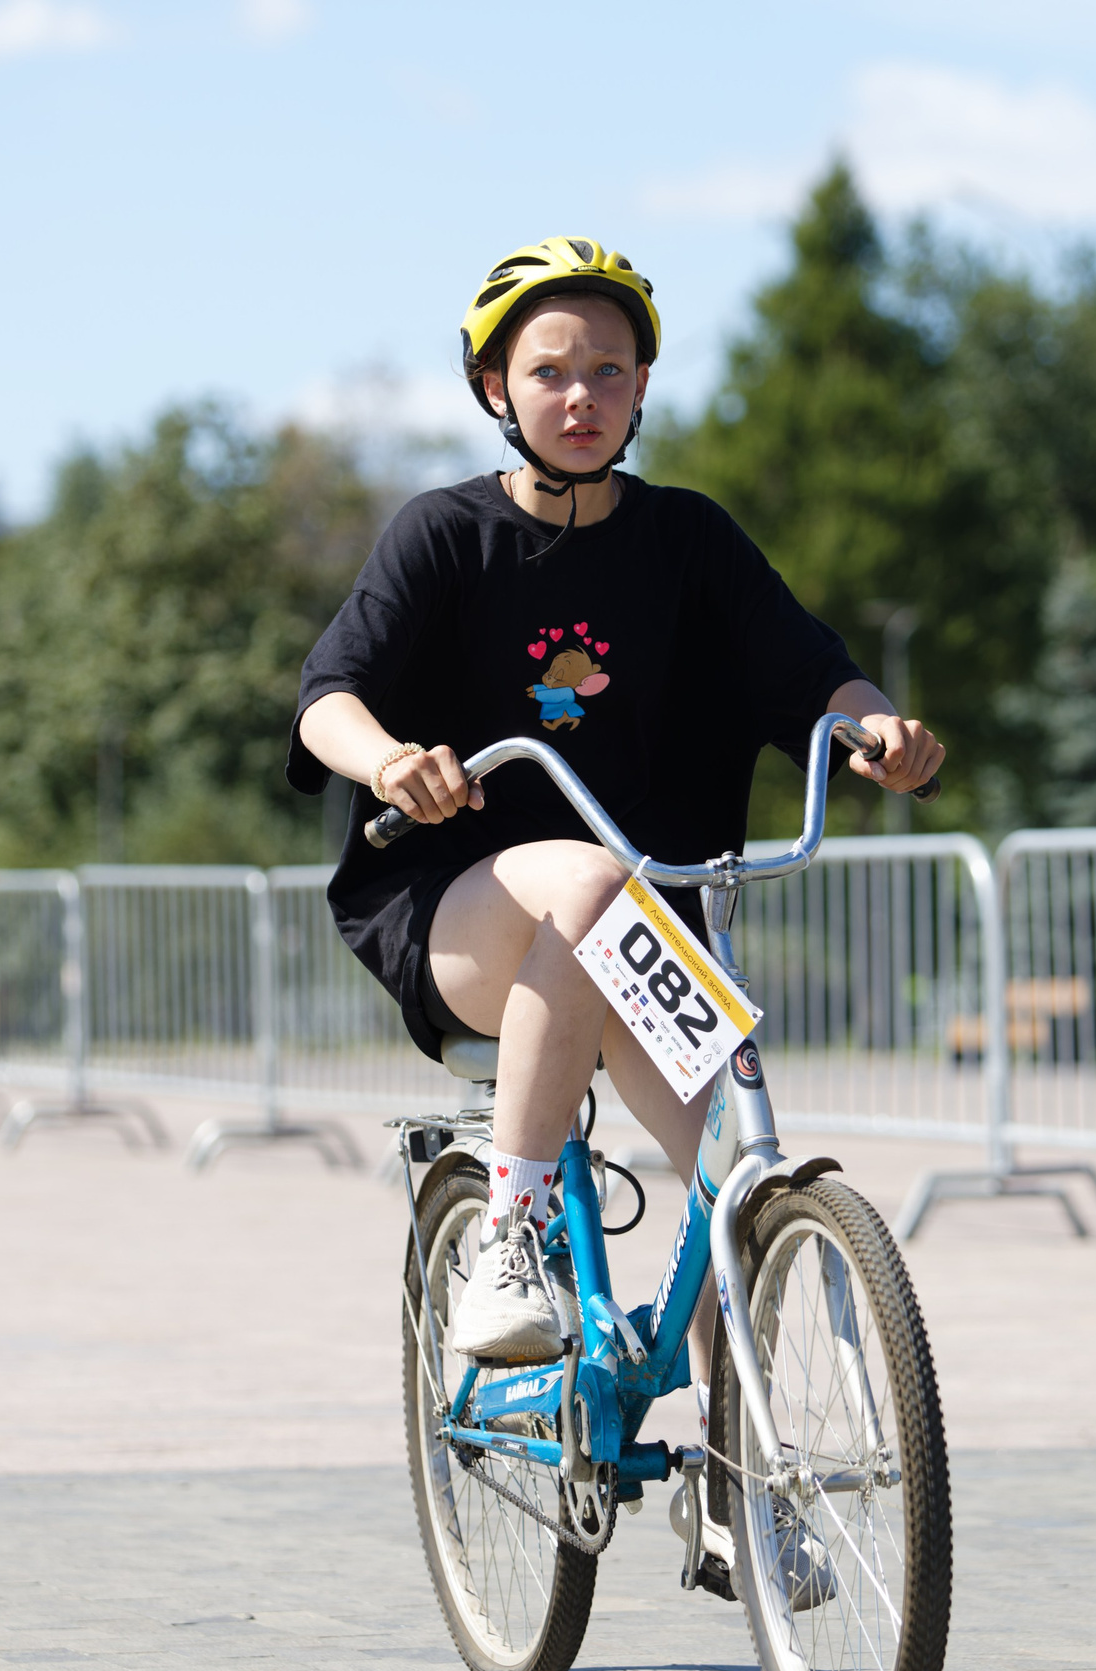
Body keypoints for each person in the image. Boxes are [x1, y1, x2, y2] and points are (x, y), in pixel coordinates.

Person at [287, 236, 942, 1363]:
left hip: (646, 939)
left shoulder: (690, 540)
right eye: (548, 372)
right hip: (461, 915)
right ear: (494, 388)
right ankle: (512, 1234)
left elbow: (815, 675)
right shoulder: (443, 536)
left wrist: (878, 727)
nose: (580, 396)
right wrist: (389, 760)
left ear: (642, 384)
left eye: (607, 370)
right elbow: (325, 699)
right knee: (591, 879)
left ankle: (738, 1449)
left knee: (738, 1192)